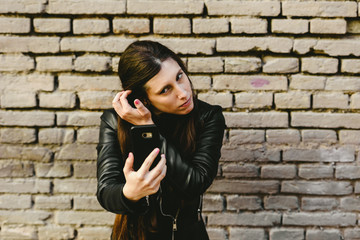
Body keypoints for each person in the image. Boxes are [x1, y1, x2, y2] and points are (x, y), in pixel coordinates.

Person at [96, 40, 225, 240]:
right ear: (144, 99)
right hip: (133, 235)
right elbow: (106, 191)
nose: (183, 93)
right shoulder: (115, 121)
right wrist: (129, 193)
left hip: (187, 234)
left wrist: (148, 128)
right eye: (165, 90)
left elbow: (196, 182)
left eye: (180, 77)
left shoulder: (207, 116)